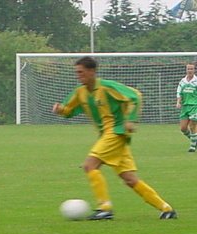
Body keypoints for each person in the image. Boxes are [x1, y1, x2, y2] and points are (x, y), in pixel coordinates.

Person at [52, 56, 177, 220]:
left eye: (81, 72)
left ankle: (104, 208)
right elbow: (68, 110)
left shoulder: (107, 87)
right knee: (129, 179)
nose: (78, 76)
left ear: (92, 72)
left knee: (90, 165)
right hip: (107, 136)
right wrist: (60, 110)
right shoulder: (80, 92)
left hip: (116, 132)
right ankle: (166, 209)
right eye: (77, 73)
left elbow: (135, 96)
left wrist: (131, 119)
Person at [176, 63, 197, 152]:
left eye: (191, 69)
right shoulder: (182, 81)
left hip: (194, 106)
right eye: (188, 69)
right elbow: (179, 93)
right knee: (183, 128)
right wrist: (178, 102)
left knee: (192, 125)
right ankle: (195, 141)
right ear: (186, 70)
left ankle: (192, 147)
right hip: (185, 107)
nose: (190, 70)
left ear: (194, 70)